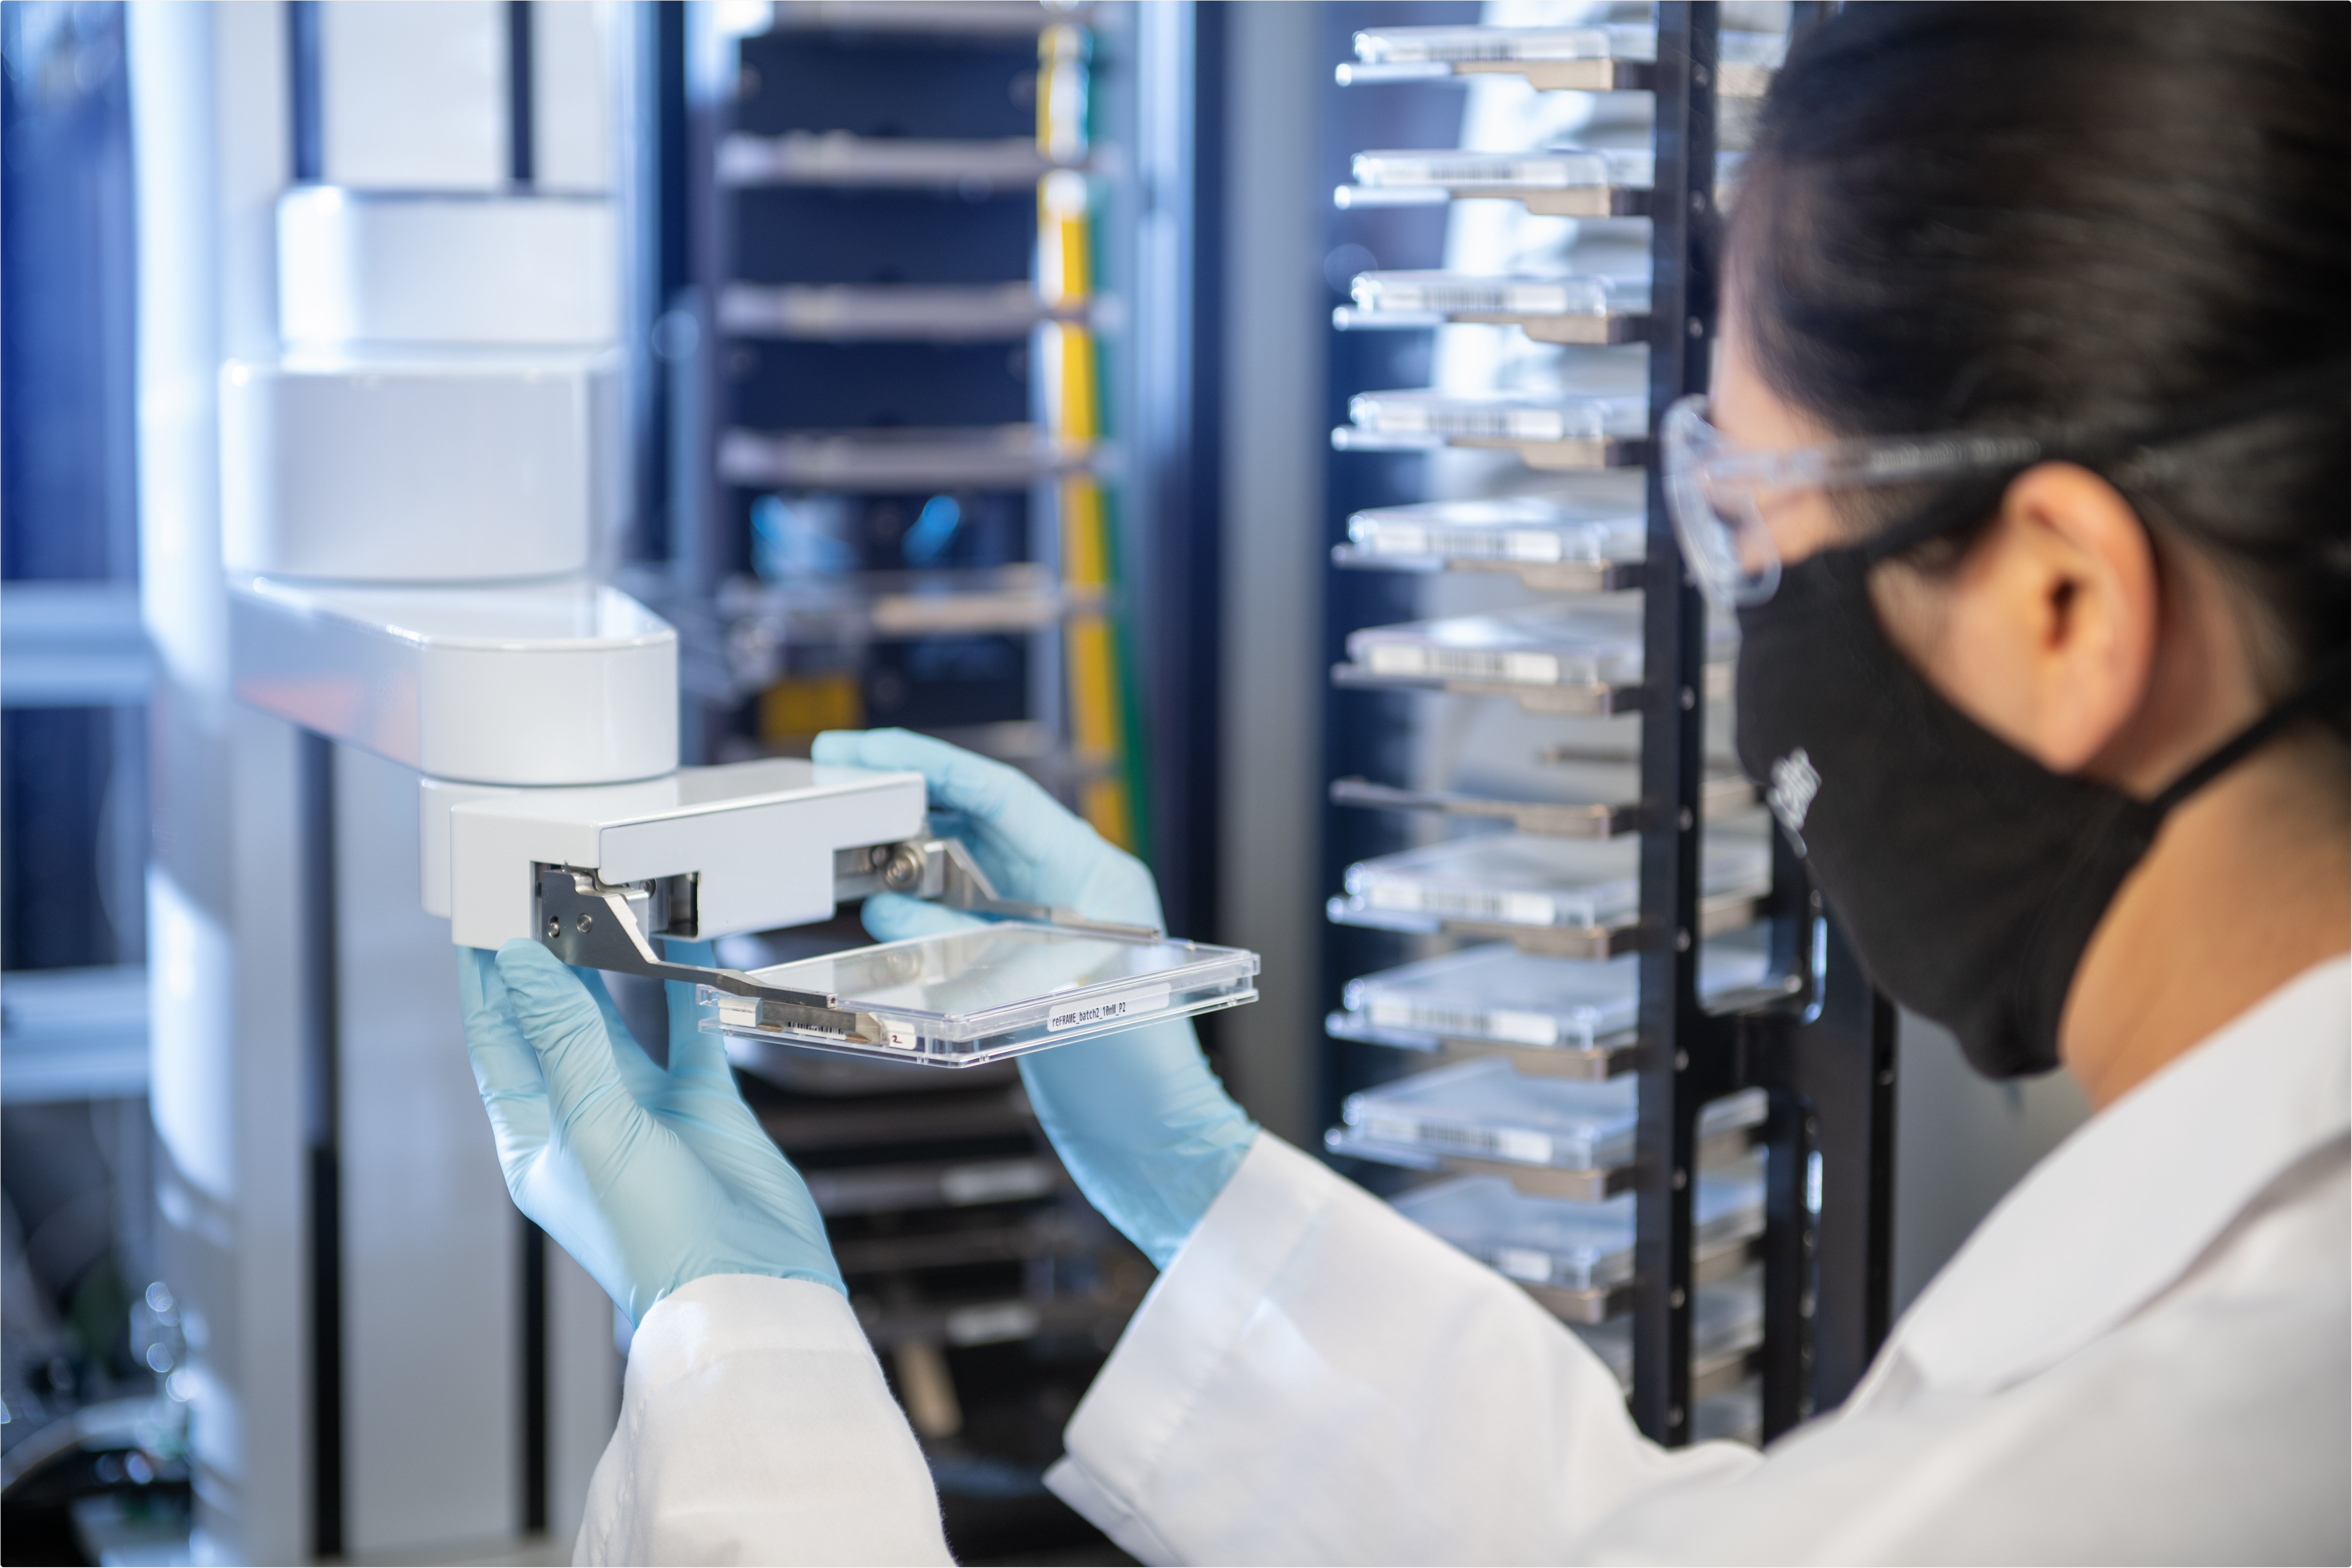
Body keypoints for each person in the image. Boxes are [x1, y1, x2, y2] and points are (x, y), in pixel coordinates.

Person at [458, 5, 2348, 1561]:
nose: (1743, 612)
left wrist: (741, 1354)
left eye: (1752, 517)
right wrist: (1199, 1190)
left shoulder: (2204, 1450)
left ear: (2062, 605)